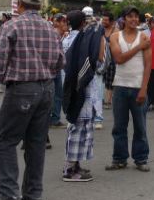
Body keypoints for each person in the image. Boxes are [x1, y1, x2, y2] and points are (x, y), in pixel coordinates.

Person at [0, 0, 65, 200]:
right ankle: (33, 193)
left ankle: (9, 193)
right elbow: (60, 62)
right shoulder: (50, 28)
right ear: (39, 6)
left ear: (19, 4)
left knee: (6, 141)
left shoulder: (12, 26)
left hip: (21, 89)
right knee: (36, 143)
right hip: (46, 88)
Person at [106, 6, 152, 172]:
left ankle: (141, 159)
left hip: (138, 87)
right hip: (119, 87)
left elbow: (148, 66)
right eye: (130, 16)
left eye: (136, 17)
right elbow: (118, 59)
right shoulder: (115, 37)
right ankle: (119, 158)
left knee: (140, 127)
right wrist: (139, 47)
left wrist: (143, 89)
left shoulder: (144, 37)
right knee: (119, 127)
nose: (134, 19)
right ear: (124, 19)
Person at [61, 10, 105, 182]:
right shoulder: (86, 40)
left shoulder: (66, 39)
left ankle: (75, 165)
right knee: (79, 129)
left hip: (70, 88)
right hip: (83, 91)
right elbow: (100, 62)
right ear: (83, 23)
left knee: (76, 127)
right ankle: (70, 169)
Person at [49, 14, 68, 128]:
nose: (66, 25)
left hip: (56, 69)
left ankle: (54, 119)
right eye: (64, 23)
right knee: (54, 95)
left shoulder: (61, 35)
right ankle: (53, 119)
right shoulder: (55, 34)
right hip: (53, 69)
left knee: (57, 94)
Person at [101, 12, 117, 111]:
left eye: (106, 20)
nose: (103, 22)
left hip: (112, 60)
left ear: (111, 22)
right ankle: (105, 98)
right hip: (101, 60)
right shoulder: (100, 30)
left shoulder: (116, 31)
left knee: (110, 81)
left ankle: (108, 100)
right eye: (103, 20)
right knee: (102, 80)